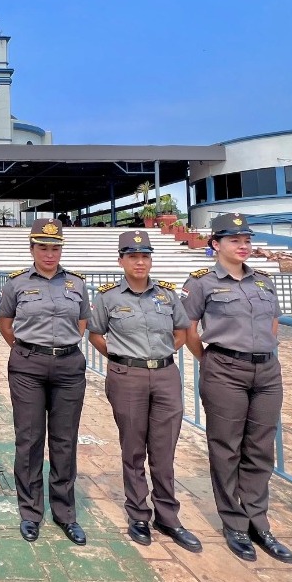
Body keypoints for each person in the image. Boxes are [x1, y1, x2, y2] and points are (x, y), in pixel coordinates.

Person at [182, 213, 292, 564]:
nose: (243, 245)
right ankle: (233, 522)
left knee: (261, 448)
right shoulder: (200, 282)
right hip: (223, 369)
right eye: (234, 240)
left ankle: (258, 522)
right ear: (216, 244)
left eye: (246, 239)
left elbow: (273, 323)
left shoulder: (263, 280)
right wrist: (214, 361)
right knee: (226, 447)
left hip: (266, 371)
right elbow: (188, 329)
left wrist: (258, 352)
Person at [87, 231, 202, 552]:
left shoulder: (166, 295)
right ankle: (138, 514)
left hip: (165, 375)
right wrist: (121, 357)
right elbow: (95, 333)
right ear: (121, 260)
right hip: (127, 377)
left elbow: (181, 331)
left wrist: (162, 354)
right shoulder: (107, 297)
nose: (140, 262)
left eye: (145, 256)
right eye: (133, 256)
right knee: (134, 448)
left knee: (164, 451)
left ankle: (168, 516)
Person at [0, 218, 89, 545]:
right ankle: (31, 512)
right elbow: (5, 323)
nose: (49, 254)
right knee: (30, 438)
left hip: (68, 365)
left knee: (64, 441)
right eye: (43, 248)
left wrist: (59, 347)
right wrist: (29, 349)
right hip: (28, 366)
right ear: (32, 248)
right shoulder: (16, 284)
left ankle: (65, 514)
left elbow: (81, 322)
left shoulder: (76, 284)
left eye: (55, 248)